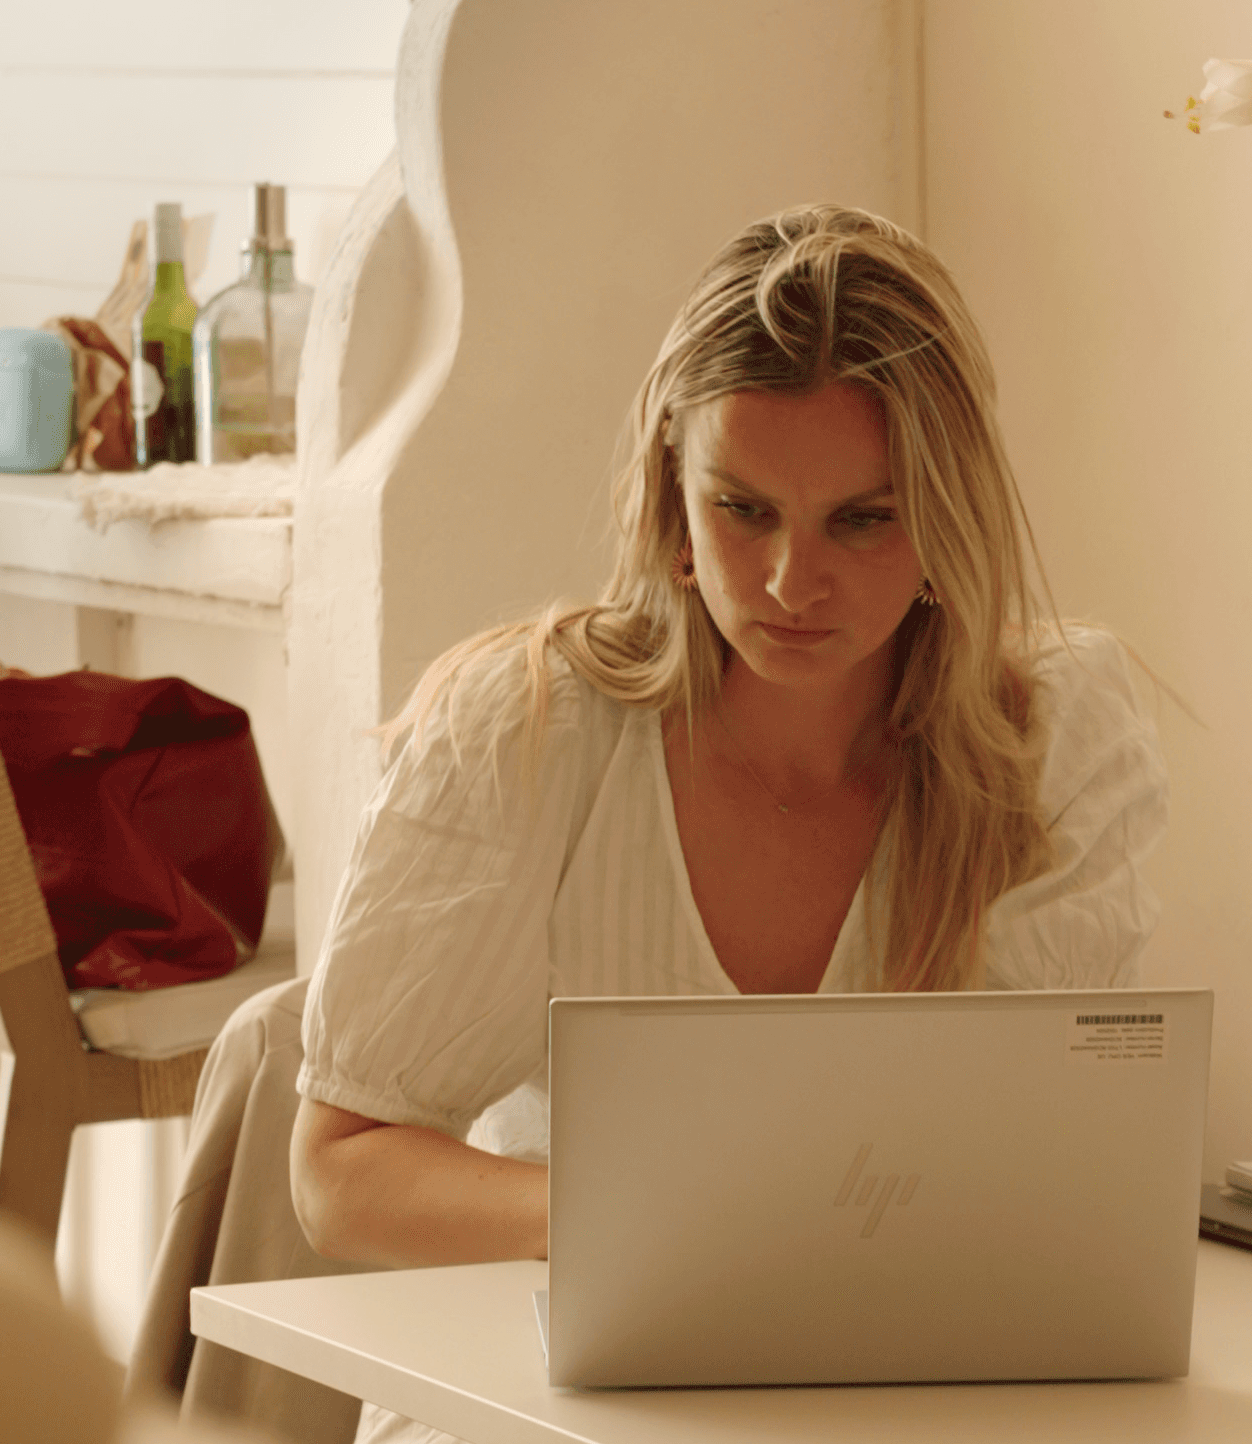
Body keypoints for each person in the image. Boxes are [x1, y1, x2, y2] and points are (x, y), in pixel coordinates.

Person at [290, 205, 1168, 1441]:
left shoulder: (1055, 738)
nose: (790, 584)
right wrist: (643, 1219)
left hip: (903, 1406)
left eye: (861, 518)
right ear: (672, 494)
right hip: (544, 1410)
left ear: (944, 518)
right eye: (743, 509)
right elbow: (340, 1171)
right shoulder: (527, 732)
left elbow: (1063, 1181)